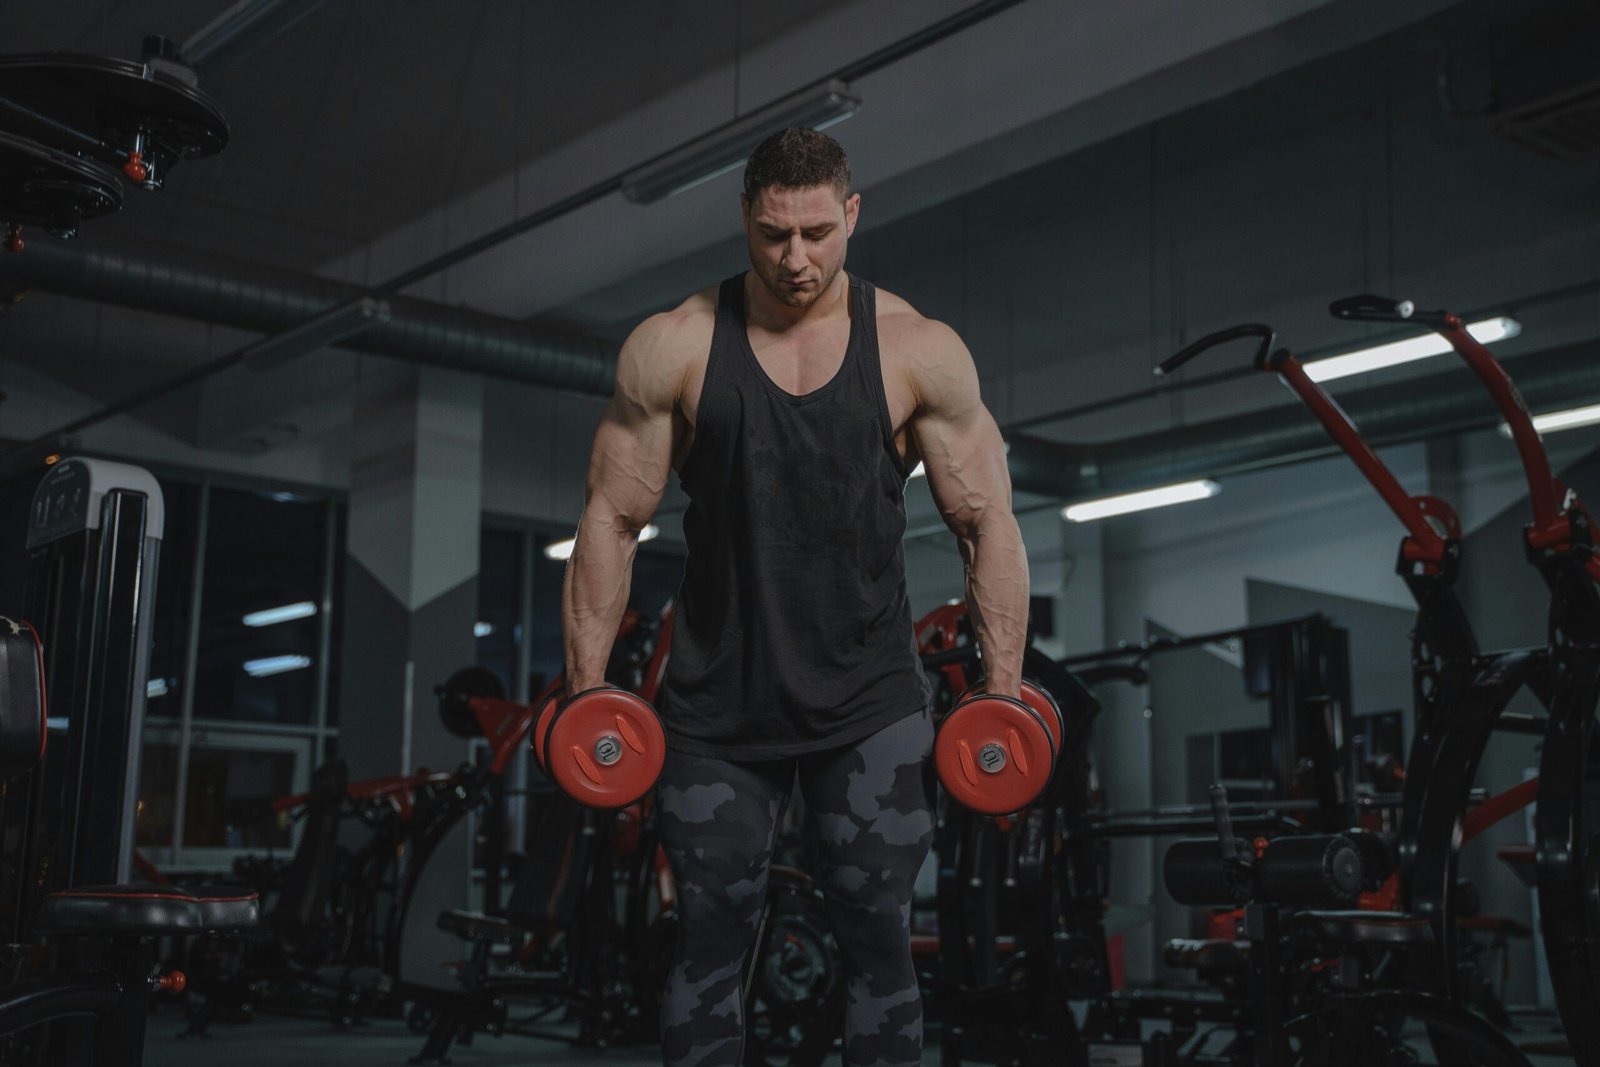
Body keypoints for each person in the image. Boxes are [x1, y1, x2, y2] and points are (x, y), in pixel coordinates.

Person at [562, 127, 1028, 1067]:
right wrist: (586, 694)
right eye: (774, 233)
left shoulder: (917, 350)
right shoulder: (676, 346)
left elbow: (987, 521)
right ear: (745, 216)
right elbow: (611, 518)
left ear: (851, 214)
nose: (795, 257)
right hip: (717, 709)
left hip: (869, 703)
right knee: (707, 945)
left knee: (879, 942)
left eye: (817, 232)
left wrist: (1003, 692)